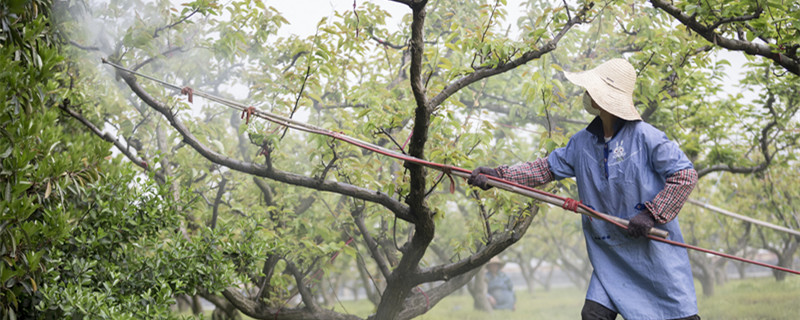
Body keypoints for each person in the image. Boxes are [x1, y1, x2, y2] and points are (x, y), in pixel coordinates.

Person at [468, 59, 700, 320]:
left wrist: (651, 214)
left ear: (603, 98)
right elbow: (544, 169)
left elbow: (685, 175)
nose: (586, 93)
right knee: (593, 315)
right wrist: (499, 176)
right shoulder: (581, 143)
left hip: (652, 254)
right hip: (610, 256)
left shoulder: (647, 137)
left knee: (676, 316)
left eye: (592, 88)